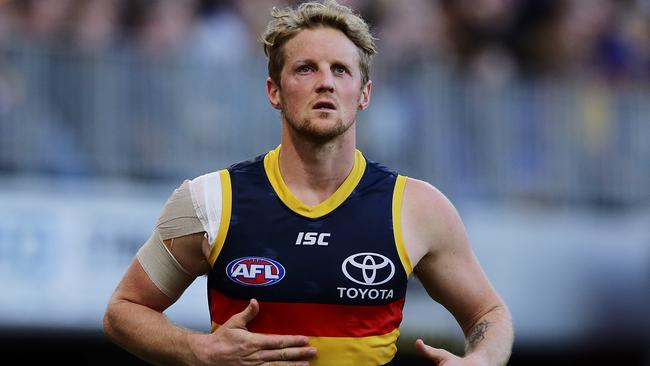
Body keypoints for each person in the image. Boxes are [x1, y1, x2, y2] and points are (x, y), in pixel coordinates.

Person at [103, 1, 514, 365]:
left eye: (340, 70)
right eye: (306, 68)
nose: (326, 82)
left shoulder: (418, 207)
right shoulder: (209, 200)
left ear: (364, 93)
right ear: (274, 91)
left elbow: (490, 315)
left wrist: (480, 360)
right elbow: (123, 310)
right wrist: (201, 351)